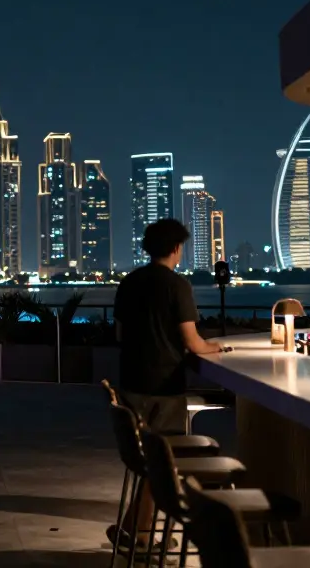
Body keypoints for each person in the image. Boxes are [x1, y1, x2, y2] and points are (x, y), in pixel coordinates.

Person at [109, 218, 226, 555]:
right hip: (164, 386)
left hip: (131, 382)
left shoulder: (129, 282)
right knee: (165, 462)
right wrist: (215, 347)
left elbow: (119, 333)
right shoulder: (178, 286)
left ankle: (134, 530)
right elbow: (192, 341)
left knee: (151, 460)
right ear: (176, 248)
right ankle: (140, 533)